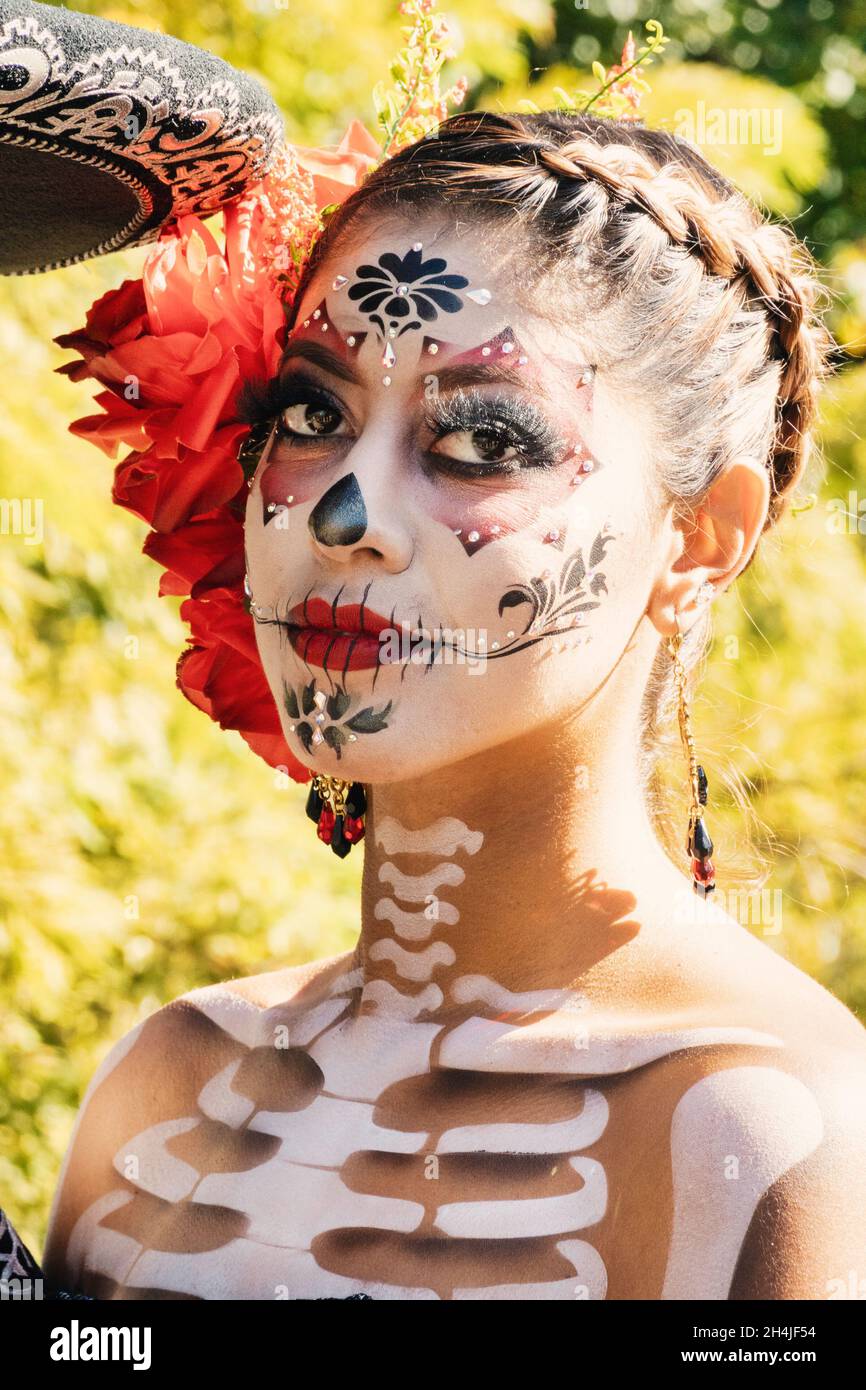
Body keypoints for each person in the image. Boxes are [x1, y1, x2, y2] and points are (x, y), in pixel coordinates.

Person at [5, 0, 866, 1301]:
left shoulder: (769, 1124)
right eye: (309, 409)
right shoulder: (166, 1080)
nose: (343, 512)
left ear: (700, 534)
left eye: (479, 438)